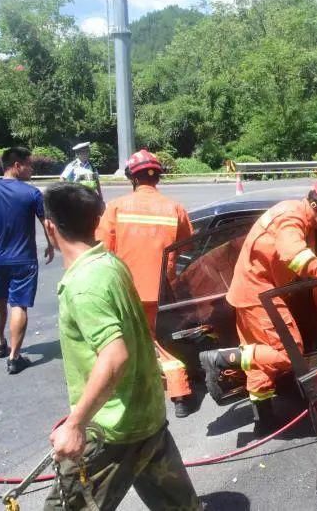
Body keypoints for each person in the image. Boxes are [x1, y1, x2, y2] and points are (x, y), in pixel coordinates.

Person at [42, 183, 199, 511]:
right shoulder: (110, 264)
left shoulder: (84, 285)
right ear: (96, 221)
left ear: (49, 227)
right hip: (147, 416)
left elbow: (114, 356)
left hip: (113, 432)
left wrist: (75, 424)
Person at [199, 177, 317, 432]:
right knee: (288, 352)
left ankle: (264, 420)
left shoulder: (297, 215)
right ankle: (222, 359)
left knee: (260, 357)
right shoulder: (292, 217)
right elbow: (293, 254)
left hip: (252, 291)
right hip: (259, 294)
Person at [95, 149, 196, 418]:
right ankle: (176, 394)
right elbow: (188, 243)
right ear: (158, 178)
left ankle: (170, 390)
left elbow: (102, 250)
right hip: (161, 290)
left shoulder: (116, 207)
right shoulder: (175, 208)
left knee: (133, 342)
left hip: (126, 290)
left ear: (132, 177)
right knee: (155, 338)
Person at [0, 147, 54, 374]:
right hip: (23, 259)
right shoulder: (31, 194)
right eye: (29, 165)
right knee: (18, 304)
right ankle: (14, 357)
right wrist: (51, 245)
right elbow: (46, 222)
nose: (31, 169)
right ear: (17, 165)